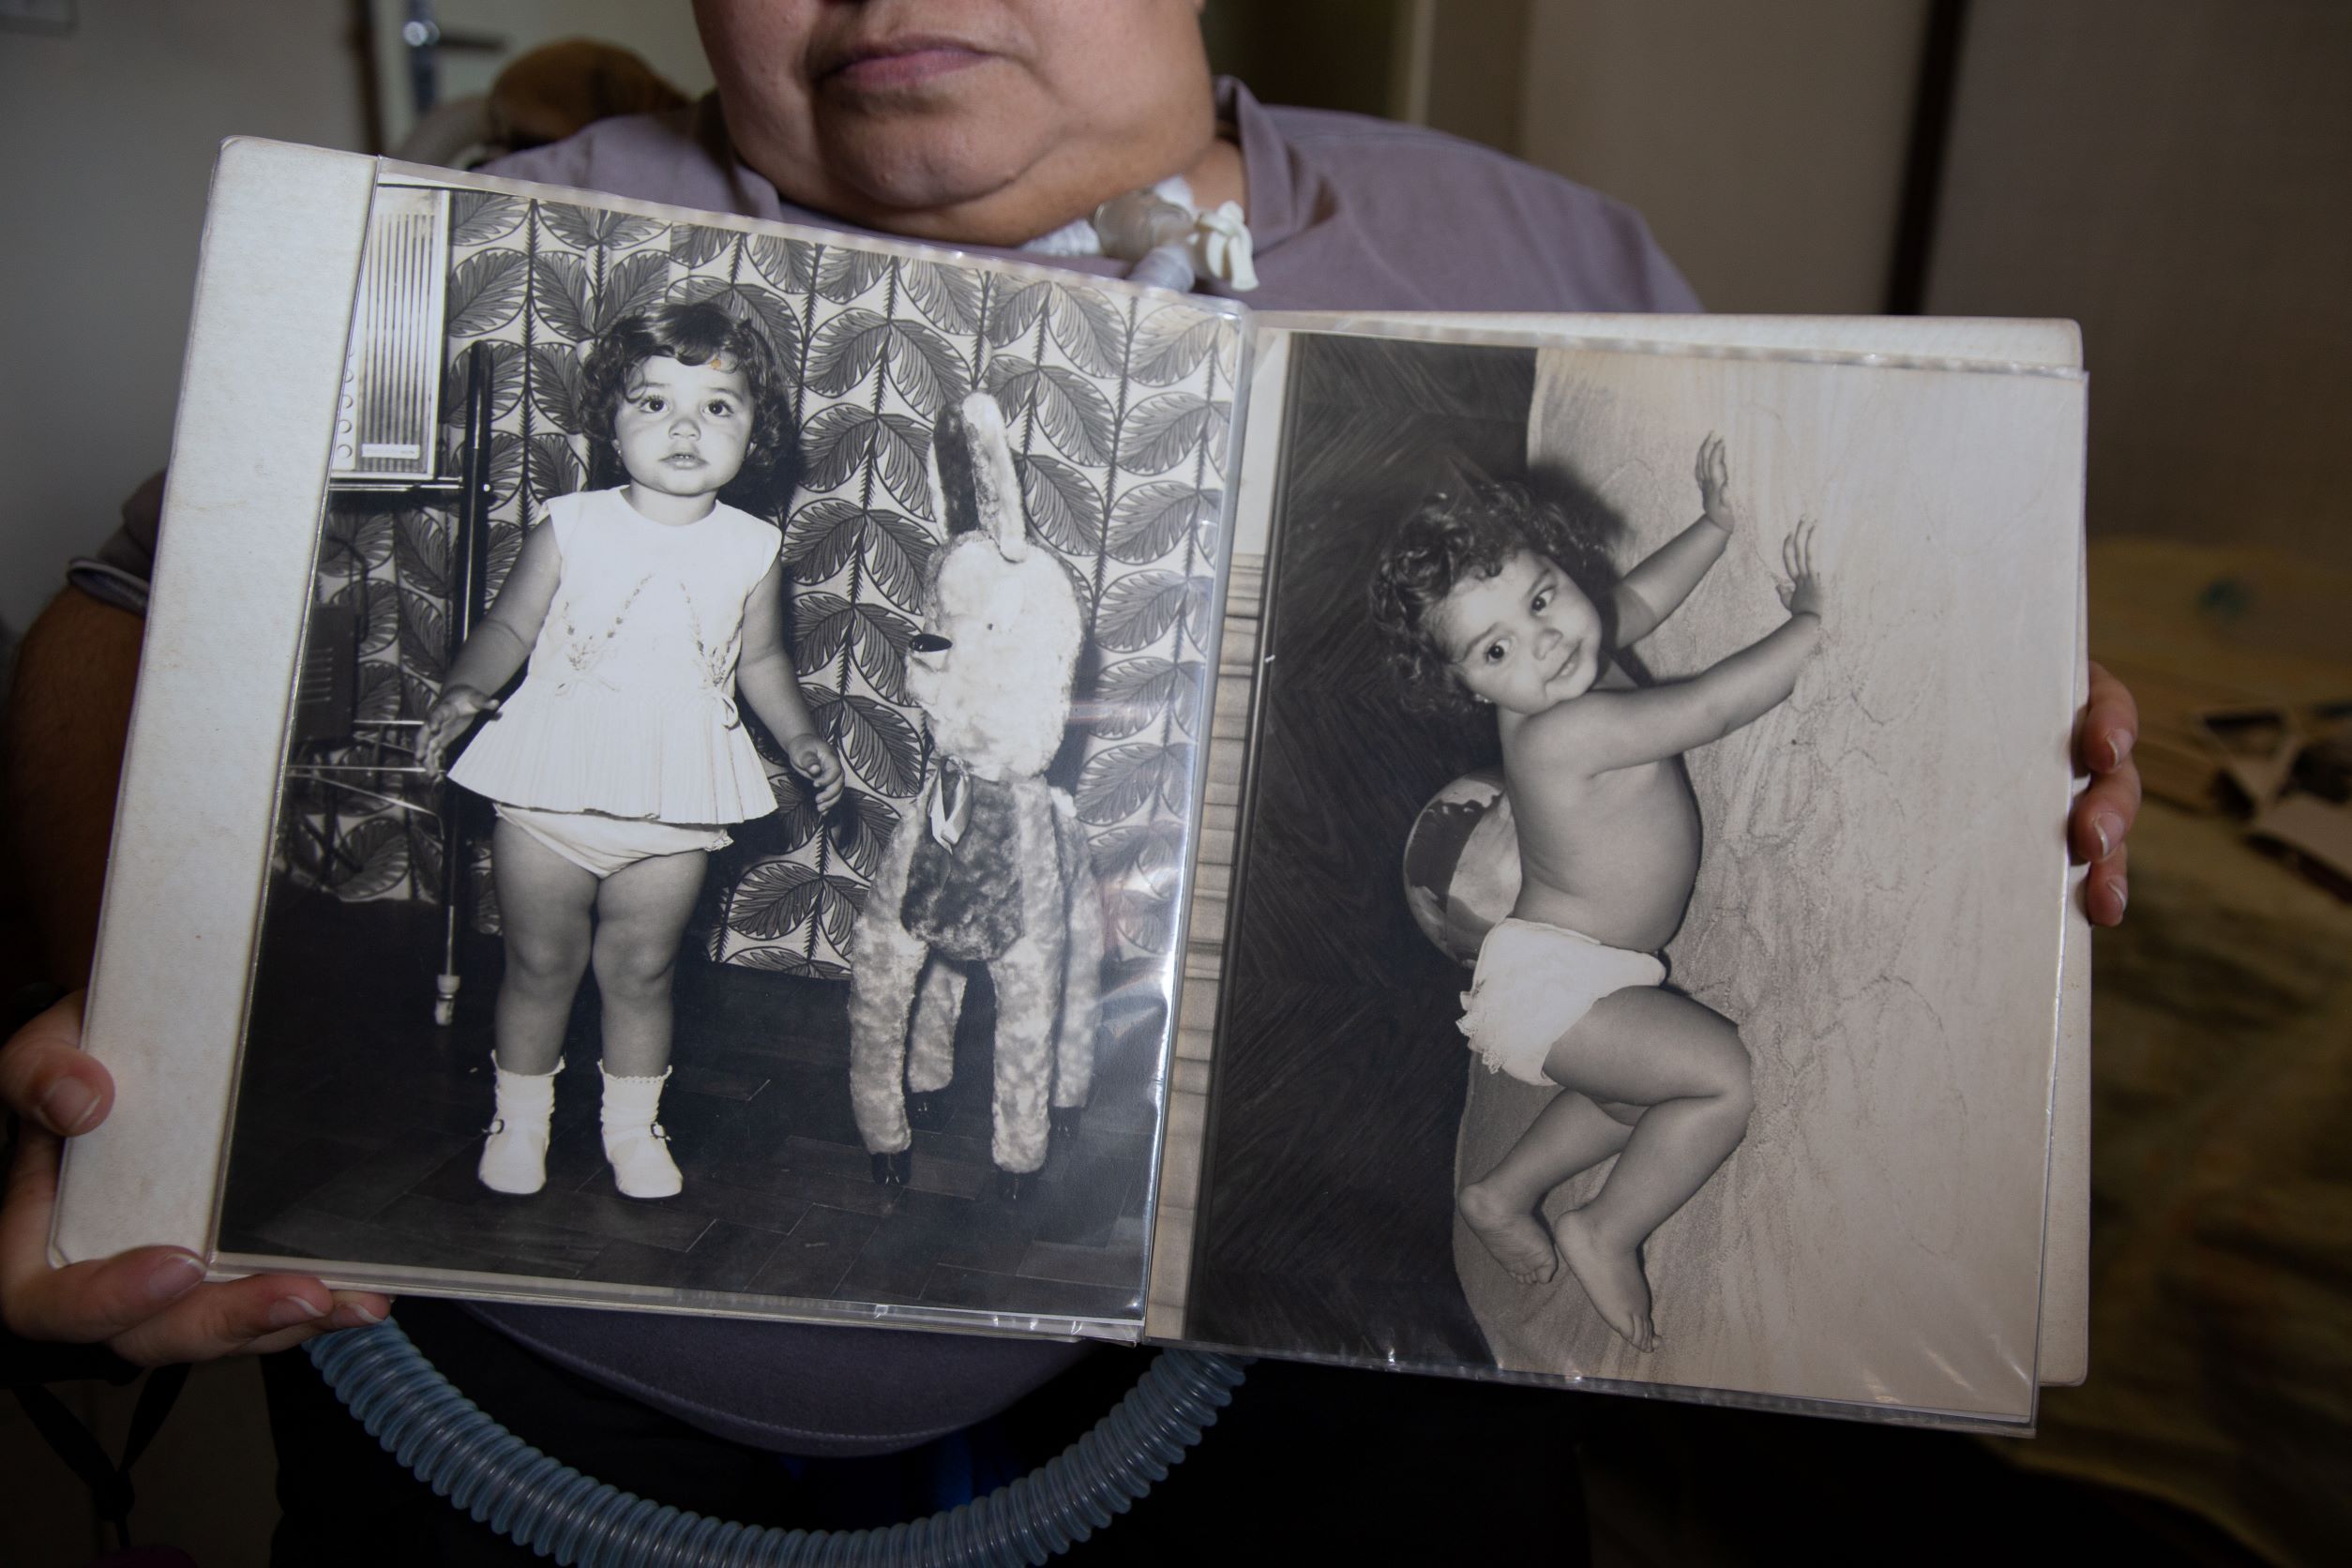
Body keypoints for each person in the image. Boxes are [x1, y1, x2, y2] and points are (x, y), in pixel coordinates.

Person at [0, 0, 2146, 1553]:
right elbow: (130, 603)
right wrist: (149, 1054)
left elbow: (1695, 649)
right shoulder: (490, 227)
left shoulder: (1538, 247)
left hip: (1322, 1395)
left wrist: (2007, 756)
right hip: (534, 1403)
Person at [1372, 440, 1814, 1349]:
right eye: (1497, 648)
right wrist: (1811, 625)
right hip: (1558, 987)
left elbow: (1636, 602)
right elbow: (1712, 707)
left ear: (1559, 563)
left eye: (1542, 598)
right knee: (1719, 1082)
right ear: (1466, 685)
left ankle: (1502, 1193)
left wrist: (1713, 526)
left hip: (1580, 971)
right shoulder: (1559, 732)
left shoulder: (1560, 658)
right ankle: (1606, 1227)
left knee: (1629, 1097)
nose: (1545, 641)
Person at [415, 302, 844, 1202]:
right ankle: (519, 1121)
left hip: (675, 802)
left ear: (755, 432)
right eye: (654, 403)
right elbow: (508, 627)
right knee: (540, 966)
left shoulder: (753, 549)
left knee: (643, 971)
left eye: (717, 407)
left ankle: (631, 1128)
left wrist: (801, 737)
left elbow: (762, 662)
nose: (686, 428)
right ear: (610, 424)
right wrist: (465, 688)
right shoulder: (571, 525)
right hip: (550, 792)